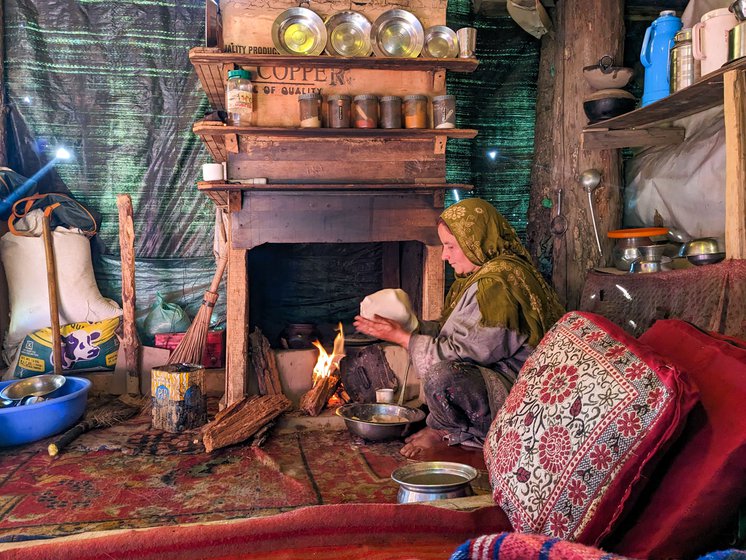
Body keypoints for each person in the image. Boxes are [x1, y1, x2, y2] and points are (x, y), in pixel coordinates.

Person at [354, 198, 564, 458]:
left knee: (443, 378)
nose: (444, 255)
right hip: (499, 378)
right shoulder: (486, 275)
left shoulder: (497, 285)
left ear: (474, 242)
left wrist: (403, 338)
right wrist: (411, 327)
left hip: (520, 398)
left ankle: (451, 432)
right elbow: (457, 333)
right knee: (442, 374)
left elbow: (464, 352)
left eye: (450, 246)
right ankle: (447, 428)